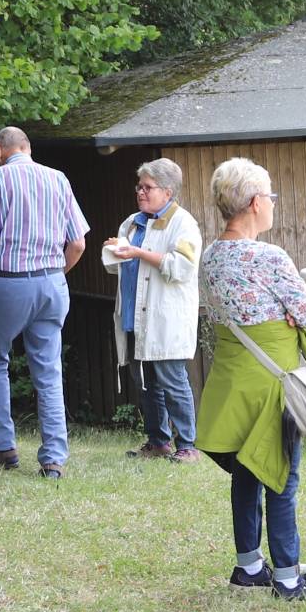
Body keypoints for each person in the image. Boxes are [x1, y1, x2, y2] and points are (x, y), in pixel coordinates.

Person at [195, 156, 306, 601]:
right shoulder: (269, 257)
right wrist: (300, 316)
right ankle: (289, 579)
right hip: (273, 383)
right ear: (256, 202)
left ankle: (249, 566)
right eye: (271, 196)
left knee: (246, 471)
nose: (274, 203)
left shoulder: (211, 256)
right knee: (281, 478)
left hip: (232, 381)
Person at [0, 126, 88, 479]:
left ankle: (2, 447)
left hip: (9, 283)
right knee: (48, 369)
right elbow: (78, 243)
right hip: (52, 284)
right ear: (28, 148)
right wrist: (56, 273)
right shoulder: (58, 179)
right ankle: (53, 460)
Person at [102, 158, 203, 463]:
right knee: (145, 383)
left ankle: (188, 445)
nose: (140, 192)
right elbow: (117, 267)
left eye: (148, 187)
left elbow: (182, 267)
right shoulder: (132, 223)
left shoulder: (183, 224)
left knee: (172, 382)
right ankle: (158, 442)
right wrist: (116, 252)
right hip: (133, 316)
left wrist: (137, 252)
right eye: (139, 186)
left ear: (168, 191)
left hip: (165, 318)